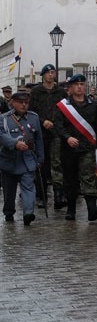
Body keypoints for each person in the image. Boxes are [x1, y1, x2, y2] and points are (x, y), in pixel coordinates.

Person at [54, 74, 97, 222]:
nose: (80, 87)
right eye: (76, 84)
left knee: (88, 178)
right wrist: (67, 137)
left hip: (87, 148)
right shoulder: (63, 106)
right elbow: (58, 126)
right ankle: (71, 209)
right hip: (69, 150)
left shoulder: (93, 105)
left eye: (82, 84)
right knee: (70, 180)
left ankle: (92, 209)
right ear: (70, 88)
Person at [0, 91, 45, 225]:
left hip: (28, 160)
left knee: (29, 188)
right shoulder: (4, 118)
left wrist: (40, 159)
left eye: (26, 102)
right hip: (10, 161)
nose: (24, 105)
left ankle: (28, 213)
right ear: (13, 103)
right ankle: (9, 213)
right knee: (9, 192)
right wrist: (14, 143)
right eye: (20, 102)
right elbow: (1, 135)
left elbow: (38, 139)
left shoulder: (34, 117)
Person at [29, 64, 68, 210]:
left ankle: (59, 195)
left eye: (54, 72)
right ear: (44, 75)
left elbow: (66, 110)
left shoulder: (61, 92)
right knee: (42, 165)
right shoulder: (36, 92)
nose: (52, 75)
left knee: (57, 163)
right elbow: (31, 112)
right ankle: (42, 195)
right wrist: (42, 121)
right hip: (41, 132)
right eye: (49, 73)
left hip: (57, 132)